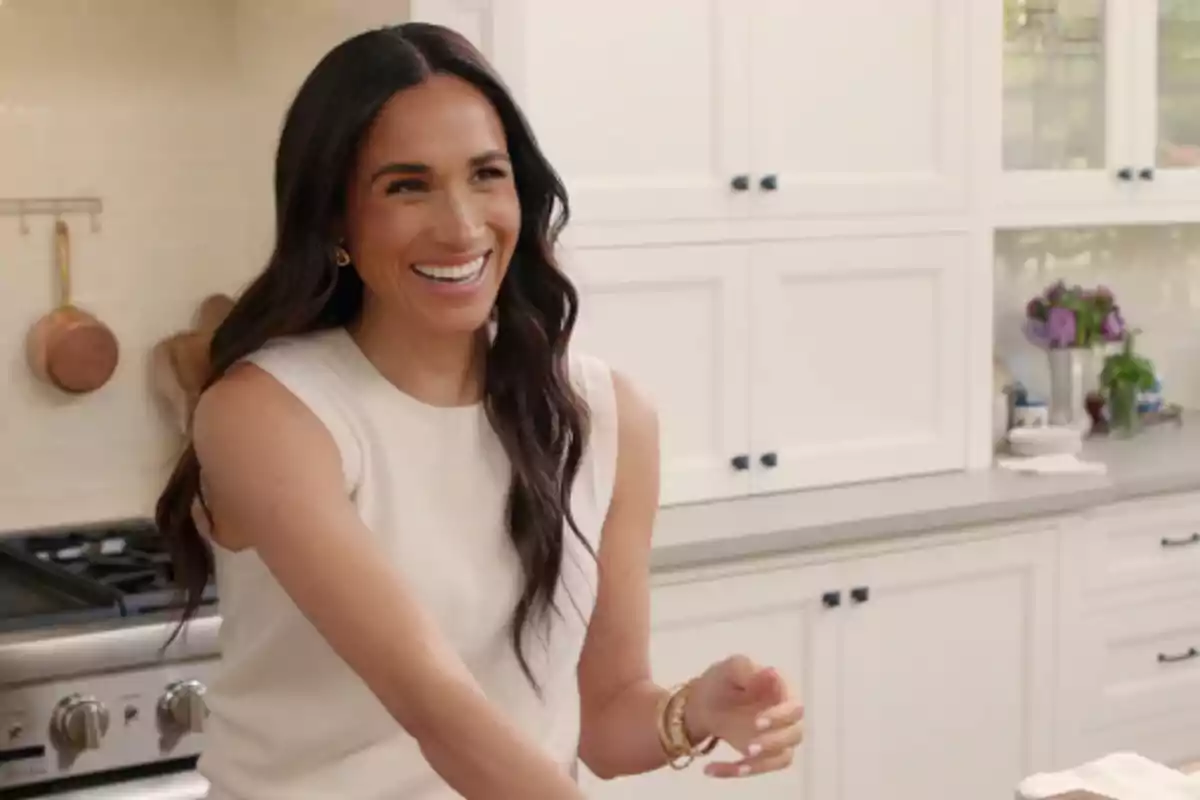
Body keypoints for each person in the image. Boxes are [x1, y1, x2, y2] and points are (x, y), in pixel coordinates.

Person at [155, 23, 803, 800]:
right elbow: (438, 710)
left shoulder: (606, 415)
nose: (462, 225)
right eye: (407, 185)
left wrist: (690, 710)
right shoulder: (268, 416)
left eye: (486, 175)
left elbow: (603, 720)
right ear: (333, 221)